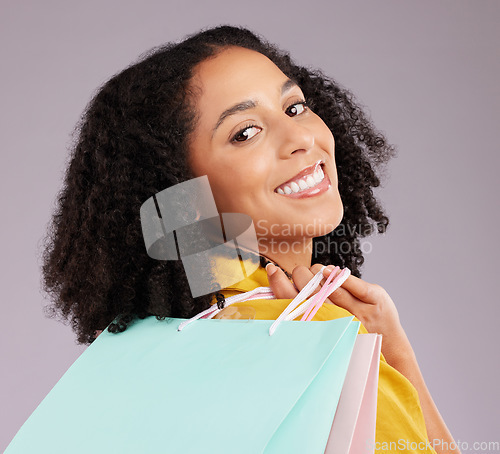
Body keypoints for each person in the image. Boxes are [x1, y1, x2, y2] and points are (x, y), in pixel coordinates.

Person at [40, 25, 459, 453]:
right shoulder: (317, 343)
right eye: (245, 133)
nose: (301, 138)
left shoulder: (155, 344)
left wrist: (393, 349)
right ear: (183, 191)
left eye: (294, 107)